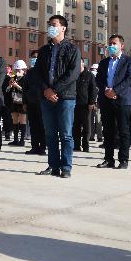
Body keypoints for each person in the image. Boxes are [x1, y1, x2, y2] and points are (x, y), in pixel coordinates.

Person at [35, 15, 81, 177]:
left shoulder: (72, 49)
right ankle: (53, 166)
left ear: (63, 28)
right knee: (50, 134)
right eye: (49, 25)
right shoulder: (44, 51)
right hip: (46, 97)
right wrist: (46, 90)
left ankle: (66, 167)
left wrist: (55, 90)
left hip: (66, 97)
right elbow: (37, 73)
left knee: (66, 134)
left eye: (54, 25)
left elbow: (73, 73)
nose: (50, 27)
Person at [94, 34, 131, 169]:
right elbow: (98, 79)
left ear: (121, 46)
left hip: (122, 100)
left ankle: (123, 160)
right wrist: (106, 90)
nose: (111, 46)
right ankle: (108, 159)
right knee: (108, 131)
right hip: (106, 100)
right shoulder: (104, 62)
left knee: (123, 131)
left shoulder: (128, 61)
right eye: (110, 43)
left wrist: (115, 91)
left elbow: (129, 79)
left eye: (114, 44)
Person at [23, 49, 46, 156]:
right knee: (33, 125)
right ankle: (34, 147)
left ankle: (42, 147)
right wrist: (24, 102)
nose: (34, 59)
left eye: (36, 57)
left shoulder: (44, 71)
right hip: (31, 102)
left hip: (42, 102)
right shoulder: (30, 72)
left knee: (42, 125)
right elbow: (25, 88)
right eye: (32, 57)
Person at [72, 60, 96, 153]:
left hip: (86, 105)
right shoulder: (73, 75)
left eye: (79, 62)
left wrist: (91, 102)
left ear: (83, 63)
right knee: (75, 126)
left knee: (86, 126)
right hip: (74, 104)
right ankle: (76, 145)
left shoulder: (89, 75)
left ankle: (86, 146)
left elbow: (93, 90)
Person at [5, 61, 27, 146]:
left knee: (22, 120)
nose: (17, 71)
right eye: (16, 69)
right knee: (14, 120)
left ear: (23, 70)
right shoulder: (13, 78)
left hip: (22, 102)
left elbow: (25, 90)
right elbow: (7, 90)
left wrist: (17, 86)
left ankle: (22, 140)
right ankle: (15, 139)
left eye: (19, 69)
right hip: (14, 101)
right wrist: (10, 86)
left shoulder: (25, 78)